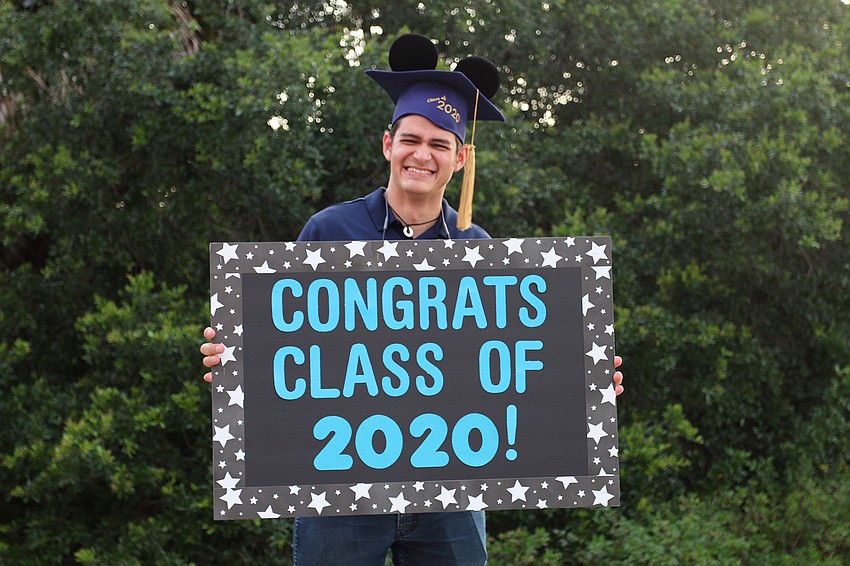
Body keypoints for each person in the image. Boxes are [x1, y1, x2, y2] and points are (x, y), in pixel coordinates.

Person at [200, 34, 624, 565]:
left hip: (451, 492)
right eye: (411, 140)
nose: (422, 155)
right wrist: (235, 361)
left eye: (440, 145)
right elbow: (287, 346)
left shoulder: (479, 249)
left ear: (461, 158)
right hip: (341, 489)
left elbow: (510, 365)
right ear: (388, 144)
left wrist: (583, 380)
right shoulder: (329, 231)